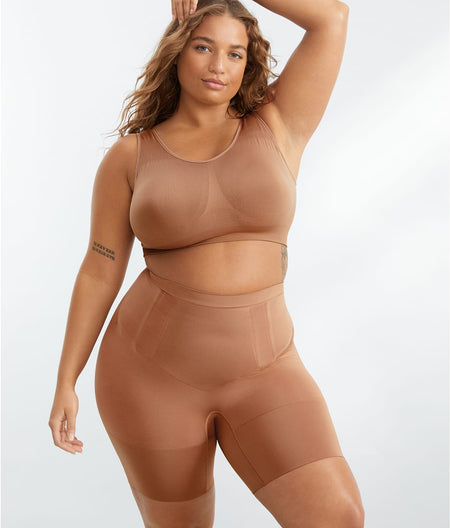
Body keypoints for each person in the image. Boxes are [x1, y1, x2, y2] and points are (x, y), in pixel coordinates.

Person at [48, 0, 365, 526]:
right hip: (150, 377)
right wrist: (66, 379)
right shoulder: (130, 157)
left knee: (338, 516)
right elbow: (100, 270)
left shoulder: (278, 123)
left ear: (248, 63)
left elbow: (331, 17)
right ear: (177, 52)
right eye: (204, 47)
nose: (219, 65)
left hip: (266, 370)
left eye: (235, 53)